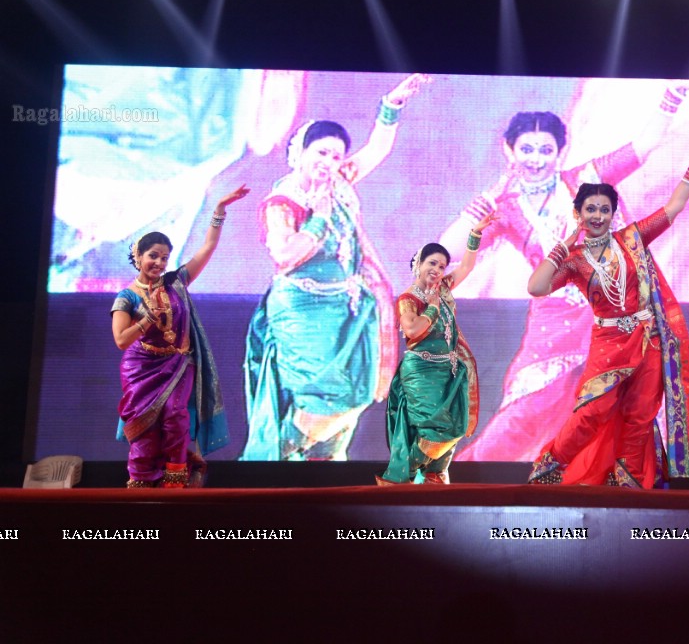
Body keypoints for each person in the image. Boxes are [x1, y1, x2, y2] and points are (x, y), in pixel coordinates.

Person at [449, 87, 689, 463]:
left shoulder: (583, 180)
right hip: (557, 321)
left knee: (627, 404)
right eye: (527, 149)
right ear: (509, 150)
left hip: (617, 310)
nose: (536, 159)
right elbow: (447, 251)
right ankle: (471, 478)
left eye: (546, 150)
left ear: (560, 152)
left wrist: (672, 99)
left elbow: (642, 149)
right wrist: (473, 213)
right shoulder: (503, 207)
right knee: (527, 412)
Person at [241, 74, 429, 460]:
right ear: (301, 152)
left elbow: (377, 148)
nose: (330, 162)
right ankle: (275, 458)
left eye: (337, 155)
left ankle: (319, 474)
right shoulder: (284, 201)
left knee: (361, 392)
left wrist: (391, 105)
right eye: (322, 153)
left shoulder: (340, 181)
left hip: (348, 309)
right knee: (326, 398)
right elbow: (284, 256)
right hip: (304, 314)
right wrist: (318, 219)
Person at [525, 143, 689, 488]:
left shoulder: (632, 238)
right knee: (590, 413)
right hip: (608, 343)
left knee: (640, 415)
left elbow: (673, 208)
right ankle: (549, 467)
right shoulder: (573, 260)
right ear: (578, 213)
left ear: (614, 213)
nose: (598, 216)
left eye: (605, 209)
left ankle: (629, 483)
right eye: (590, 209)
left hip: (647, 341)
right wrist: (562, 247)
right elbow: (537, 287)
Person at [110, 186, 250, 488]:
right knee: (145, 431)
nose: (159, 263)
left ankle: (176, 478)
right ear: (138, 256)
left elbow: (207, 248)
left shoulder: (176, 282)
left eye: (164, 257)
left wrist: (219, 210)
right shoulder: (126, 297)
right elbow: (121, 341)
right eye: (153, 256)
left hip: (178, 363)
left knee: (175, 415)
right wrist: (148, 319)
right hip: (141, 368)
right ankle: (141, 480)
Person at [379, 217, 494, 485]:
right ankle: (402, 475)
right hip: (421, 370)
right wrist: (431, 306)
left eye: (442, 266)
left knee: (455, 426)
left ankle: (432, 482)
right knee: (439, 430)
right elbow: (413, 330)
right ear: (418, 264)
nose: (438, 269)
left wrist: (475, 234)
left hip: (448, 369)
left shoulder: (442, 288)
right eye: (432, 263)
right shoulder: (410, 299)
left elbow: (466, 266)